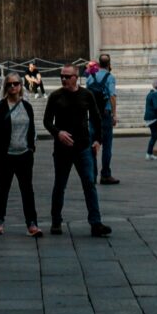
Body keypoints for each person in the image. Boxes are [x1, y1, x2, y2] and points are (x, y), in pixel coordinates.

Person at [43, 64, 111, 237]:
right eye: (62, 76)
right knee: (59, 185)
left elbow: (96, 118)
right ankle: (56, 221)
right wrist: (58, 133)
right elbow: (47, 121)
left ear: (76, 77)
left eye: (67, 76)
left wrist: (97, 140)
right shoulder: (55, 96)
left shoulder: (86, 95)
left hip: (83, 148)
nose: (64, 79)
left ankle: (96, 223)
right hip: (62, 149)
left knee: (89, 185)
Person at [0, 71, 41, 235]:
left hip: (24, 154)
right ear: (5, 87)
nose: (13, 87)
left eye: (16, 84)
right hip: (5, 156)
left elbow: (31, 129)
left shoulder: (27, 107)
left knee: (27, 189)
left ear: (21, 86)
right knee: (3, 188)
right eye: (9, 84)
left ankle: (32, 223)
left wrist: (31, 148)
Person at [86, 53, 120, 186]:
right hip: (105, 115)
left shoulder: (90, 77)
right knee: (107, 146)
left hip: (93, 115)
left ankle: (92, 174)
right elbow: (112, 96)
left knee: (92, 144)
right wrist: (114, 114)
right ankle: (105, 174)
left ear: (99, 63)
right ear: (109, 64)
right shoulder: (110, 77)